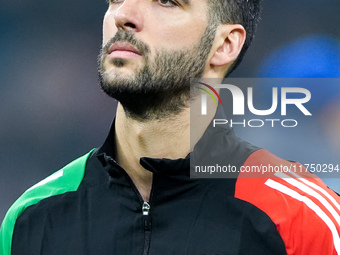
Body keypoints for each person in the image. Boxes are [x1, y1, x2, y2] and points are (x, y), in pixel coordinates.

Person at [1, 0, 339, 254]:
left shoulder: (303, 219)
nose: (124, 14)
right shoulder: (31, 217)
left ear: (224, 45)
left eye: (166, 0)